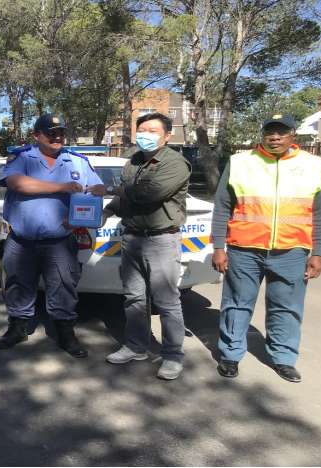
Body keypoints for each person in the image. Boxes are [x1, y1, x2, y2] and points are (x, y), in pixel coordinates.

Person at [212, 115, 321, 383]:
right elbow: (222, 208)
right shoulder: (240, 163)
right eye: (270, 132)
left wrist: (319, 252)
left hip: (292, 251)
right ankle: (230, 355)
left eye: (281, 132)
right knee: (236, 304)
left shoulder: (313, 165)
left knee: (286, 308)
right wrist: (219, 246)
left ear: (293, 135)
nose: (275, 137)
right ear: (262, 135)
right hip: (244, 249)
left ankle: (283, 358)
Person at [91, 113, 191, 380]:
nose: (146, 134)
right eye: (142, 129)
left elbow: (151, 193)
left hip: (161, 239)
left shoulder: (175, 163)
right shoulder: (134, 160)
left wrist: (108, 190)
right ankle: (136, 347)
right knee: (134, 298)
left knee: (166, 301)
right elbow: (126, 194)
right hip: (133, 237)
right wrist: (108, 210)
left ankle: (173, 356)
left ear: (167, 135)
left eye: (153, 130)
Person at [0, 114, 102, 358]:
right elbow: (17, 183)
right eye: (50, 132)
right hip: (22, 241)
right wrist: (61, 187)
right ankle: (17, 328)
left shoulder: (78, 161)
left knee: (64, 287)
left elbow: (94, 194)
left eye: (61, 132)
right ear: (36, 135)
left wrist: (81, 219)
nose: (57, 137)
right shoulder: (22, 157)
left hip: (60, 242)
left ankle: (65, 332)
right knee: (18, 284)